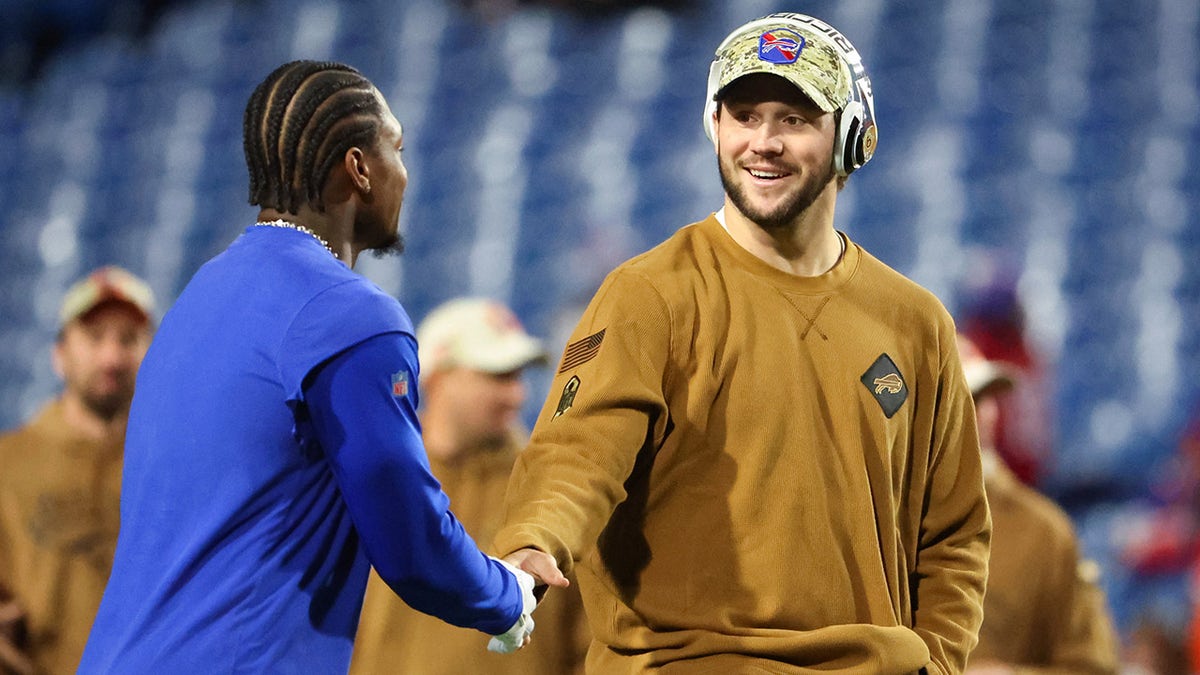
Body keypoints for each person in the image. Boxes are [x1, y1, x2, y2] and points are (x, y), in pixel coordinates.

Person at [493, 12, 990, 674]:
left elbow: (953, 531)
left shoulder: (916, 321)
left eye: (793, 118)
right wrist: (535, 538)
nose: (763, 141)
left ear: (851, 140)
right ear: (714, 128)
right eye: (743, 115)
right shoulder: (649, 294)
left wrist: (941, 662)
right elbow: (577, 451)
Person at [77, 60, 564, 674]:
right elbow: (409, 538)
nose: (405, 175)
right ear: (360, 168)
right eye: (397, 150)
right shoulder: (350, 313)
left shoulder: (196, 299)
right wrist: (507, 594)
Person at [352, 297, 589, 675]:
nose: (517, 395)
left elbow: (588, 642)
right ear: (438, 378)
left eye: (518, 378)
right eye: (497, 376)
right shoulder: (371, 480)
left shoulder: (552, 492)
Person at [0, 265, 156, 675]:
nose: (112, 357)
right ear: (59, 354)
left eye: (128, 339)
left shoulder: (175, 464)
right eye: (94, 337)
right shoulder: (8, 464)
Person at [958, 335, 1120, 673]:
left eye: (983, 399)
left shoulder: (1045, 533)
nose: (980, 415)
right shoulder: (870, 521)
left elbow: (1095, 666)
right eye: (956, 401)